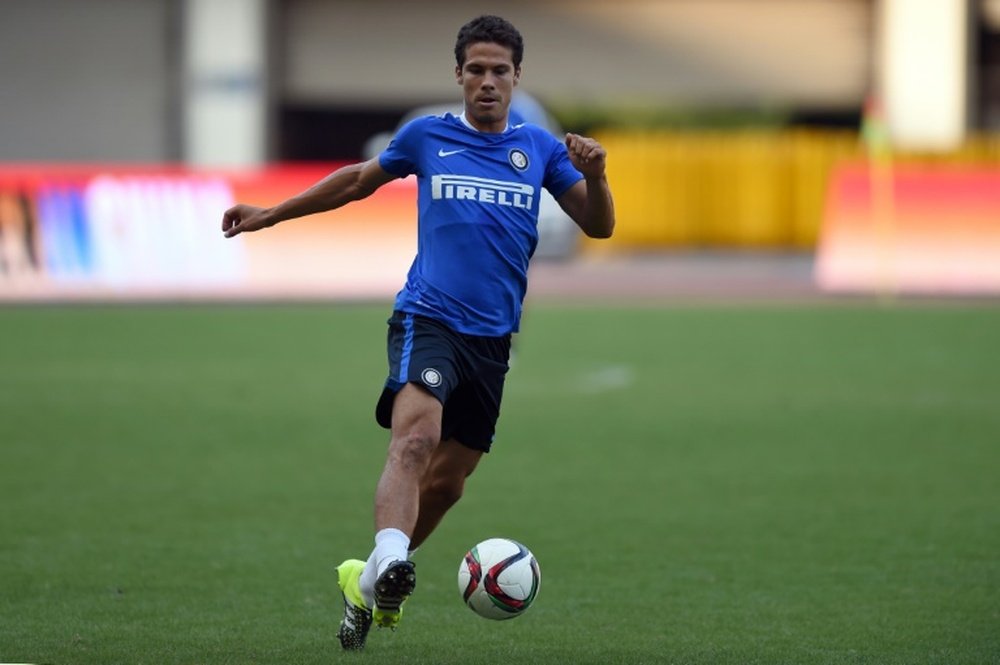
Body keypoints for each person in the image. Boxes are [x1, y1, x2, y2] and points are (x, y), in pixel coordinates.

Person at [221, 14, 615, 651]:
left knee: (448, 482)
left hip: (493, 341)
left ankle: (369, 582)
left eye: (500, 71)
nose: (488, 82)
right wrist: (270, 214)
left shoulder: (540, 149)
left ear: (517, 77)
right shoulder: (426, 137)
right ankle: (393, 556)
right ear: (458, 74)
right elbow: (354, 182)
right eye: (477, 70)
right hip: (427, 317)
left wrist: (596, 175)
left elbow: (599, 228)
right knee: (415, 440)